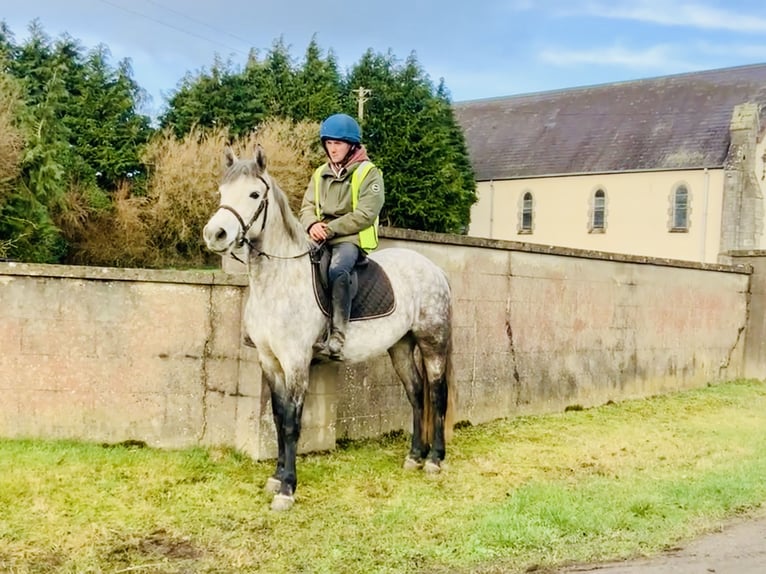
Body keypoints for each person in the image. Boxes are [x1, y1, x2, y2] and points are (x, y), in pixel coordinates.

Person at [299, 113, 385, 360]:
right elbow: (306, 206)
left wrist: (330, 228)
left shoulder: (369, 173)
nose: (332, 148)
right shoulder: (320, 173)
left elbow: (366, 214)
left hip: (349, 238)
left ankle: (338, 334)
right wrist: (312, 224)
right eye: (329, 143)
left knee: (338, 270)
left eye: (338, 143)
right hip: (319, 236)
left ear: (351, 146)